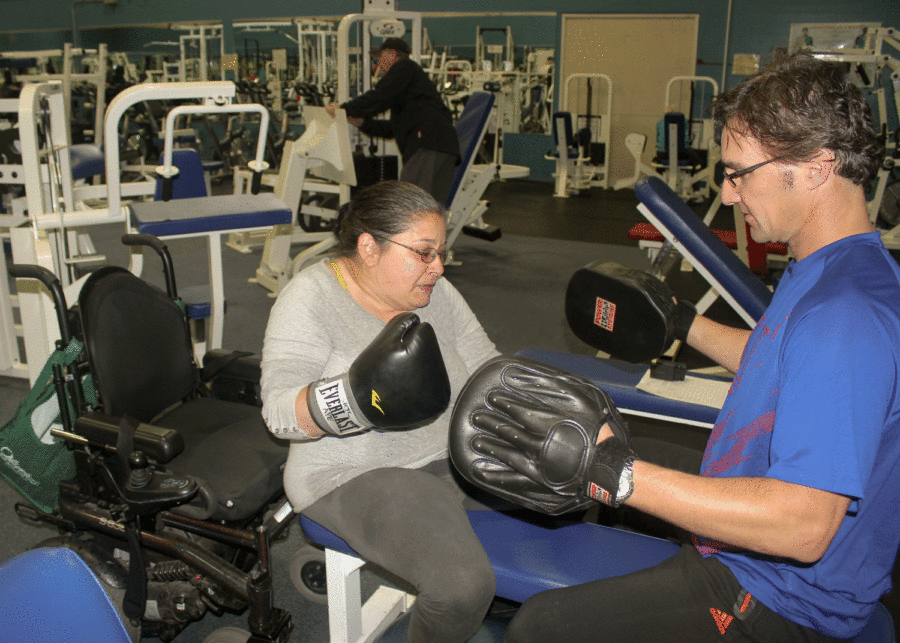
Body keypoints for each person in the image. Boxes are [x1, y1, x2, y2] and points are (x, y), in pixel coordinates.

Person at [453, 51, 900, 642]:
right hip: (757, 531)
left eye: (740, 172)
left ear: (817, 166)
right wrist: (681, 322)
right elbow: (786, 364)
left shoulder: (844, 317)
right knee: (621, 446)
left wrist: (620, 476)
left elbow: (802, 528)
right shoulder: (841, 268)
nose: (729, 192)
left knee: (540, 629)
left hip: (773, 598)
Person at [260, 180, 500, 643]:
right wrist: (356, 398)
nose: (439, 267)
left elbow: (483, 359)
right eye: (424, 253)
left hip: (448, 450)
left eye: (441, 252)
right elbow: (276, 411)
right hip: (353, 472)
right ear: (369, 248)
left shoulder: (437, 291)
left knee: (562, 497)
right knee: (460, 588)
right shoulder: (310, 298)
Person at [325, 37, 461, 204]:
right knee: (430, 211)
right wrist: (362, 123)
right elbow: (392, 129)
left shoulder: (404, 67)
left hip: (427, 146)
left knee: (409, 205)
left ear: (392, 55)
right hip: (442, 148)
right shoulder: (410, 85)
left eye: (380, 57)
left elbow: (380, 97)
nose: (379, 63)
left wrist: (345, 109)